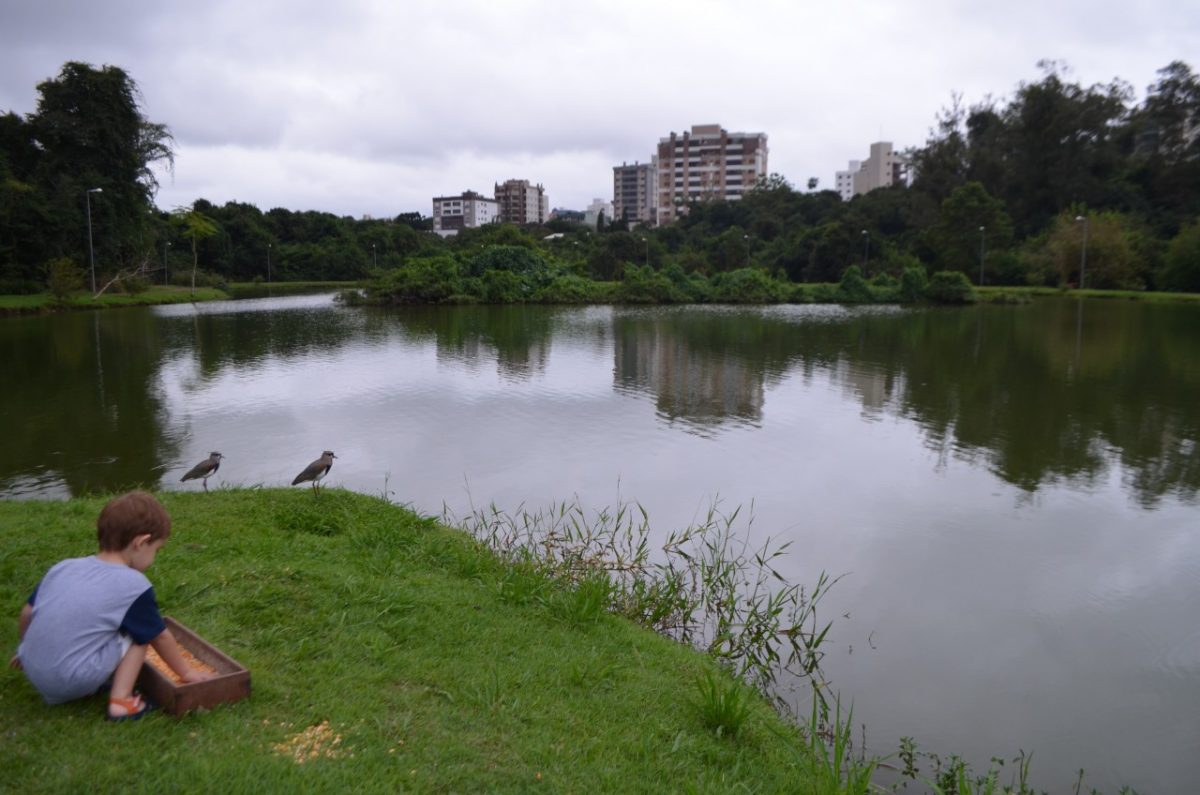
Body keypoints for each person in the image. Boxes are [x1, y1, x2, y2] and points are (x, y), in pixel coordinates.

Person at [9, 490, 214, 720]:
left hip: (34, 669)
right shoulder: (133, 584)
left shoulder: (63, 567)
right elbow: (159, 636)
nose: (155, 557)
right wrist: (186, 671)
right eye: (157, 549)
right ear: (141, 542)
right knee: (140, 633)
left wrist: (26, 649)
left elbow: (28, 613)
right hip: (71, 680)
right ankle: (121, 701)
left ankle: (81, 679)